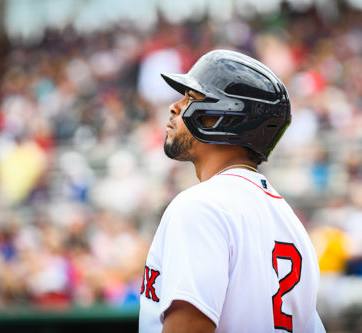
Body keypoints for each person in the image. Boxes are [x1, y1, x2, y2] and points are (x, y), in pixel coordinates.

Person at [139, 49, 325, 333]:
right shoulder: (294, 227)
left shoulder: (201, 207)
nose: (174, 107)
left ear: (222, 117)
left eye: (191, 98)